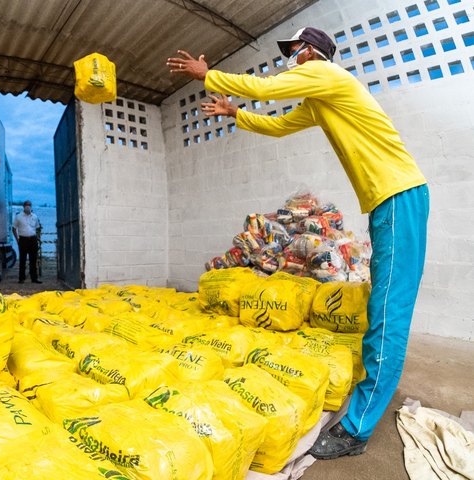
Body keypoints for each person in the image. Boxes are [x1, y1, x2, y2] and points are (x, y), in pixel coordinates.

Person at [168, 26, 428, 460]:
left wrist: (207, 75)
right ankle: (366, 407)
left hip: (399, 197)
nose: (290, 57)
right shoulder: (321, 101)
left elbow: (266, 88)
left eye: (294, 50)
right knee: (384, 306)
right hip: (390, 201)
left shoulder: (328, 75)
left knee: (388, 312)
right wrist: (235, 114)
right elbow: (278, 127)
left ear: (311, 52)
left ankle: (357, 429)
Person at [12, 200, 43, 284]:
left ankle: (34, 278)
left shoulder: (35, 217)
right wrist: (17, 239)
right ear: (23, 206)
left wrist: (38, 238)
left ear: (31, 206)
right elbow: (13, 228)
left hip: (33, 240)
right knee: (22, 260)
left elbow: (37, 228)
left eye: (29, 205)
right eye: (26, 205)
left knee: (33, 260)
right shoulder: (18, 217)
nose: (28, 206)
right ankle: (21, 278)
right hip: (23, 240)